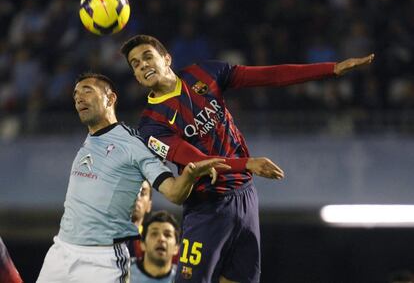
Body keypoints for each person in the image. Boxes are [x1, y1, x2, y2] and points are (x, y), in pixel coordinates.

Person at [120, 34, 374, 283]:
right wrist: (247, 164)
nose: (143, 65)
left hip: (246, 196)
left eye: (147, 57)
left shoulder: (204, 73)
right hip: (207, 206)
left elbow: (269, 76)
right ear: (136, 76)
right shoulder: (151, 126)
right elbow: (195, 160)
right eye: (136, 64)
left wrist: (331, 69)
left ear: (166, 58)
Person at [37, 73, 230, 283]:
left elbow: (174, 192)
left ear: (110, 99)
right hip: (61, 251)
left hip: (101, 262)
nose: (79, 98)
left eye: (87, 91)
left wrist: (191, 174)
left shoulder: (135, 145)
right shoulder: (91, 136)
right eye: (76, 95)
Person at [130, 211, 180, 283]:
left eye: (167, 235)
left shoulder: (184, 279)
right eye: (154, 234)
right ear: (142, 244)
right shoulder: (121, 272)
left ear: (176, 248)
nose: (161, 239)